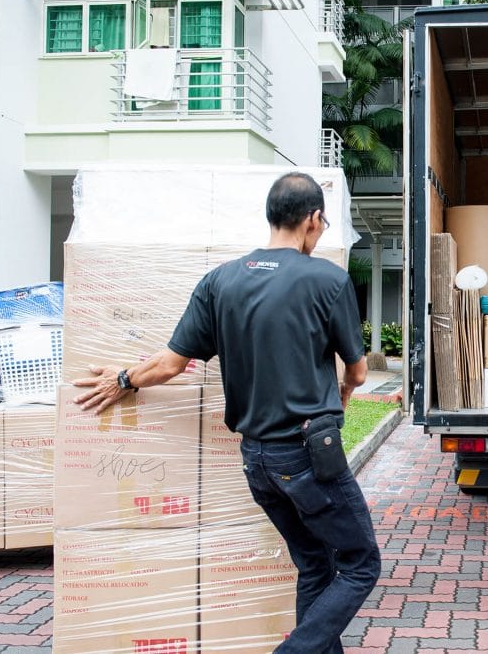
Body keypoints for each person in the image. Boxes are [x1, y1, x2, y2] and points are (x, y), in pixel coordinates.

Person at [73, 172, 381, 654]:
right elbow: (359, 372)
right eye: (321, 224)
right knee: (361, 564)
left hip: (257, 462)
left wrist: (123, 379)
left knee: (315, 564)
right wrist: (343, 389)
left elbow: (170, 363)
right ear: (313, 219)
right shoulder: (328, 279)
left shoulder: (220, 281)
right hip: (307, 456)